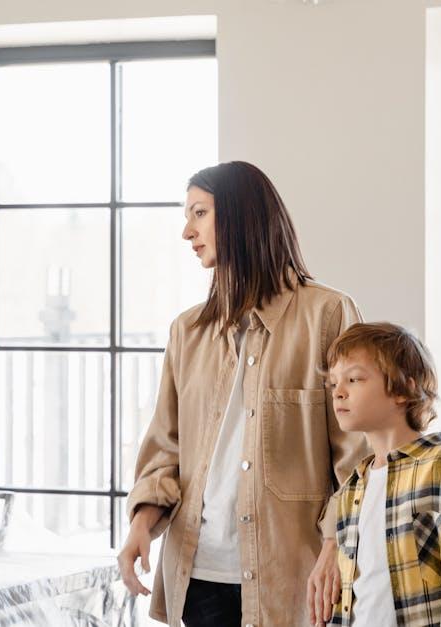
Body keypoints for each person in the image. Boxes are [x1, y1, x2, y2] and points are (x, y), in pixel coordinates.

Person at [116, 161, 368, 627]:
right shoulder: (187, 331)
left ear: (241, 215)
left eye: (199, 213)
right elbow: (165, 451)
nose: (187, 231)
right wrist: (140, 526)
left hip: (293, 583)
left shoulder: (328, 315)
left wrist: (336, 544)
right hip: (198, 579)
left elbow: (357, 457)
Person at [326, 322, 441, 626]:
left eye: (354, 379)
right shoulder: (352, 489)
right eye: (333, 384)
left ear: (403, 390)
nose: (339, 393)